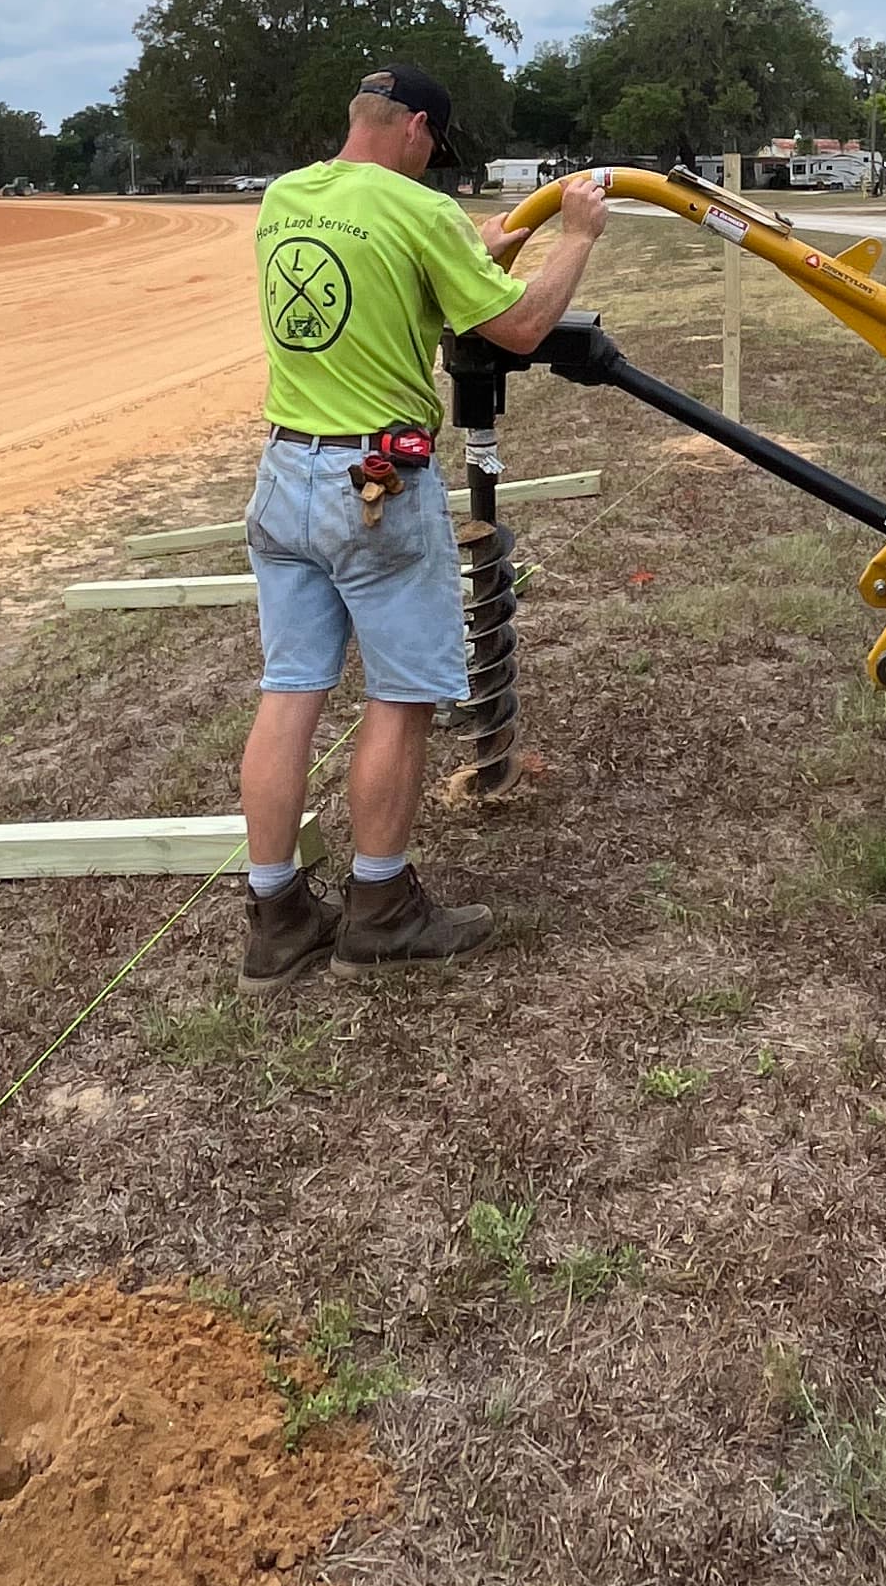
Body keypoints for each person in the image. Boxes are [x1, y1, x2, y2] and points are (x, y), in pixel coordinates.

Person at [236, 64, 609, 984]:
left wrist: (482, 252)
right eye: (433, 146)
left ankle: (276, 918)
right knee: (400, 697)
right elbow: (520, 328)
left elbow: (400, 292)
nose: (430, 160)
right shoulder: (421, 210)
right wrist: (576, 237)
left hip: (285, 473)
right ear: (414, 128)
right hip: (375, 487)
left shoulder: (286, 198)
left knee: (290, 690)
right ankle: (381, 909)